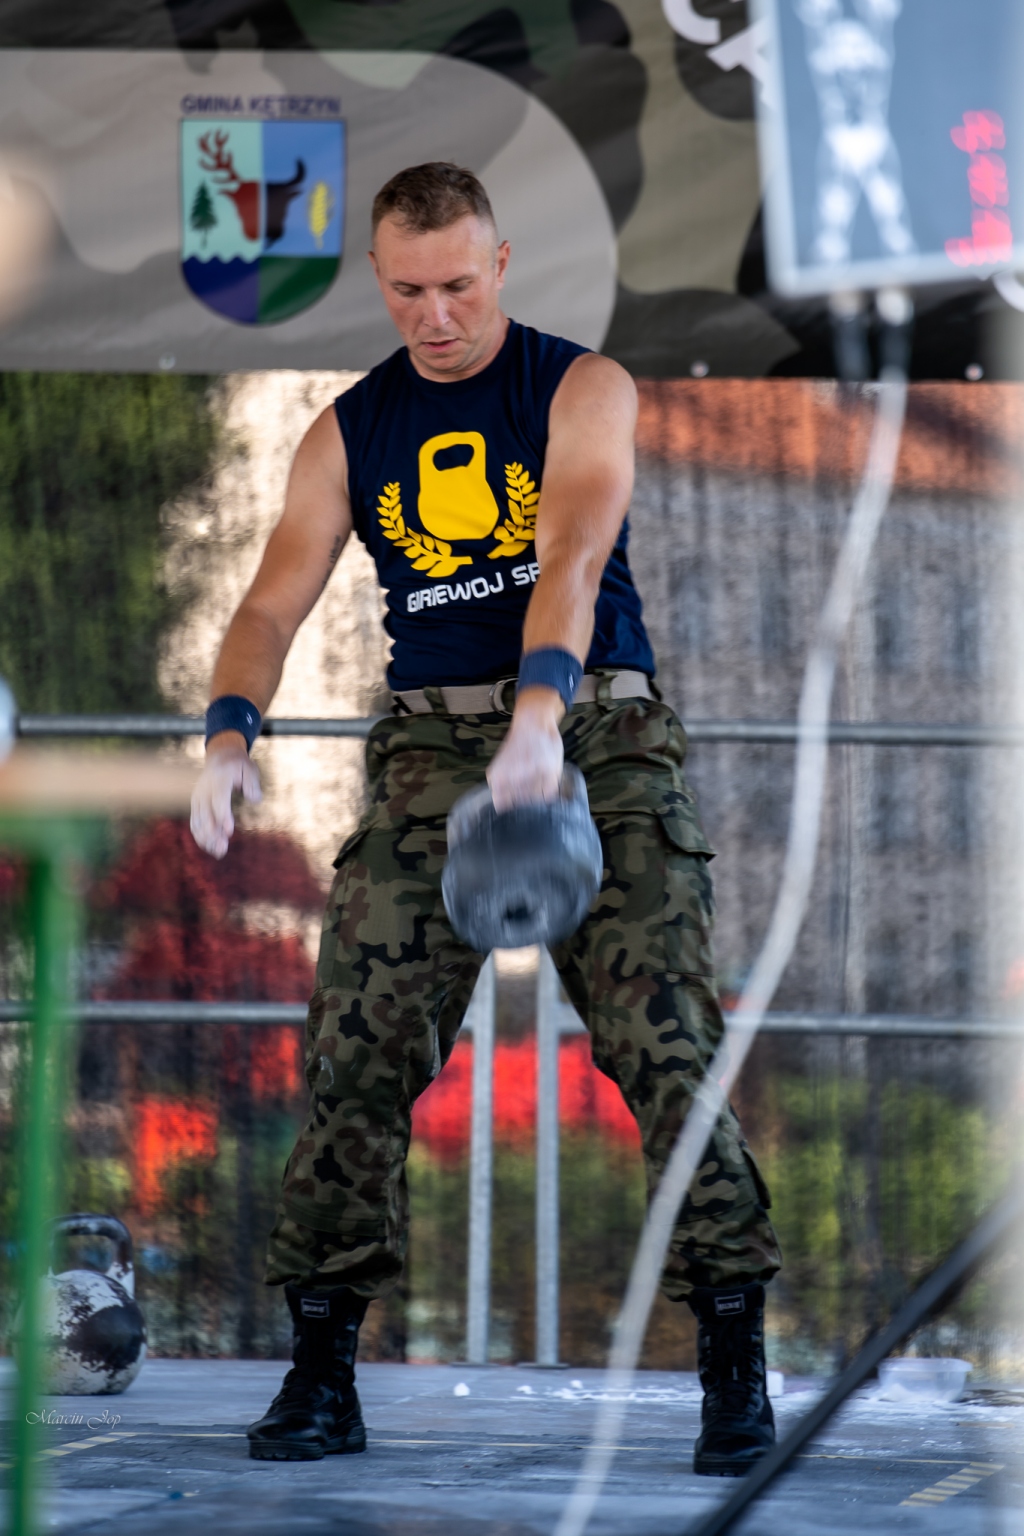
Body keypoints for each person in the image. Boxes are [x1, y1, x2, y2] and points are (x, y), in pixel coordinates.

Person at [189, 162, 781, 1476]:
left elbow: (571, 549)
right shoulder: (351, 428)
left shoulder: (581, 386)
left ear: (500, 265)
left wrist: (541, 714)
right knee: (354, 1052)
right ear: (379, 281)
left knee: (667, 1046)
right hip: (427, 751)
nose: (437, 315)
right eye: (409, 291)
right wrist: (229, 733)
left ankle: (734, 1358)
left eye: (458, 285)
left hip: (598, 737)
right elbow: (273, 600)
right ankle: (322, 1369)